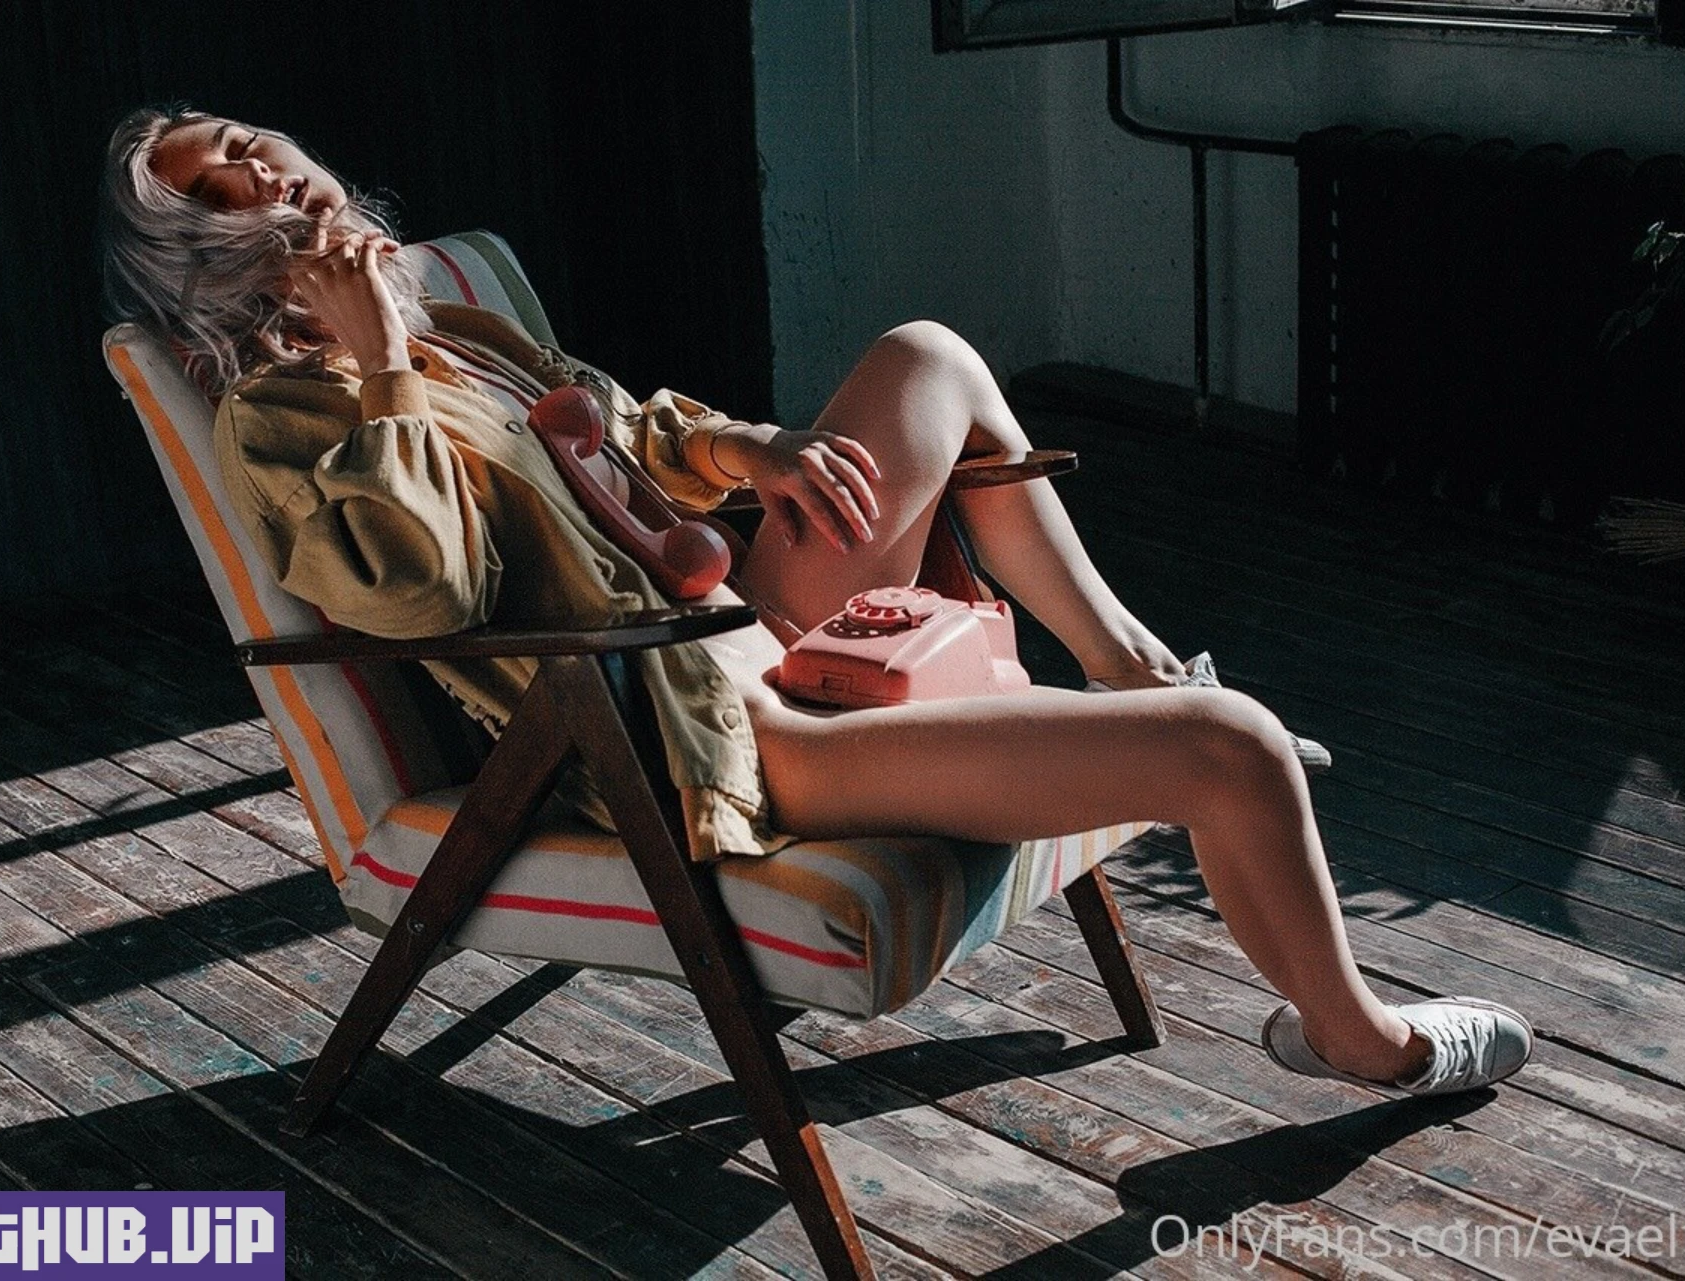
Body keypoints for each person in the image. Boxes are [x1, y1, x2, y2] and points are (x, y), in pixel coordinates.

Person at [100, 107, 1533, 1096]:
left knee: (927, 356)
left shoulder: (453, 324)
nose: (258, 168)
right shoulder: (281, 419)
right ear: (207, 260)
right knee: (1233, 748)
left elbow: (627, 427)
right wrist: (375, 370)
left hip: (743, 623)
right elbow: (424, 594)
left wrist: (757, 450)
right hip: (702, 736)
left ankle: (1126, 665)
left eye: (246, 141)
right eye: (216, 189)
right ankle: (1365, 1045)